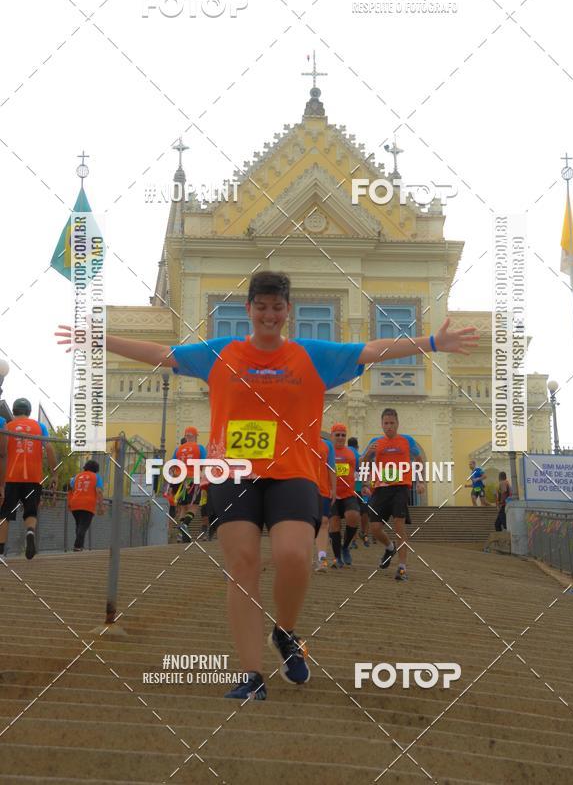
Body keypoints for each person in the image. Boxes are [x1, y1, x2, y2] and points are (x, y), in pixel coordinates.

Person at [56, 270, 478, 699]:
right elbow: (164, 353)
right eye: (261, 306)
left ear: (287, 311)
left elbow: (370, 349)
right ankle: (252, 675)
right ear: (249, 310)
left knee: (293, 556)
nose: (269, 314)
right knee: (243, 566)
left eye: (277, 307)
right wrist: (100, 338)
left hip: (292, 473)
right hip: (233, 473)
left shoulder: (311, 355)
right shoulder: (222, 353)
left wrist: (431, 343)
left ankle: (286, 630)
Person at [361, 408, 424, 582]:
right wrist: (367, 454)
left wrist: (420, 481)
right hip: (380, 489)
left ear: (397, 424)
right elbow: (361, 463)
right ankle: (389, 548)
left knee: (399, 526)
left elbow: (418, 460)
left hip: (400, 488)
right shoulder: (375, 442)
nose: (389, 426)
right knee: (374, 528)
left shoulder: (407, 441)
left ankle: (402, 567)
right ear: (381, 425)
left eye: (392, 423)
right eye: (386, 423)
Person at [0, 398, 57, 560]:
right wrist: (54, 473)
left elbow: (2, 452)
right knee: (31, 510)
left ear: (14, 410)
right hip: (33, 477)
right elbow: (50, 448)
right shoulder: (40, 427)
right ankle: (30, 532)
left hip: (10, 477)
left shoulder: (6, 426)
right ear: (29, 411)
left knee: (4, 513)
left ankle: (0, 551)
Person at [329, 424, 361, 568]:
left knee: (353, 516)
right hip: (332, 495)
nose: (341, 437)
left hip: (348, 493)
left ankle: (345, 546)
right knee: (334, 524)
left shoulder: (351, 454)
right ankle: (337, 558)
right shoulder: (327, 452)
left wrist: (363, 487)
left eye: (343, 435)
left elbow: (357, 473)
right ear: (332, 436)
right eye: (338, 435)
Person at [171, 427, 207, 542]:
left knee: (183, 507)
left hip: (180, 480)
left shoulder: (178, 449)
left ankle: (181, 535)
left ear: (186, 436)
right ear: (195, 436)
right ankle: (185, 525)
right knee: (194, 506)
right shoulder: (199, 448)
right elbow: (206, 463)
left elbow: (172, 465)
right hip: (194, 479)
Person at [68, 459, 104, 551]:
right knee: (83, 526)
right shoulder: (96, 477)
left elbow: (70, 489)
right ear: (96, 469)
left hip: (75, 503)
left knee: (79, 525)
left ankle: (80, 547)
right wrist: (101, 506)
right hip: (88, 504)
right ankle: (77, 546)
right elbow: (99, 491)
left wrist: (69, 503)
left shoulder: (77, 476)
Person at [314, 433, 336, 572]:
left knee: (324, 521)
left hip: (322, 490)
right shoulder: (298, 439)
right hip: (303, 488)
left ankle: (322, 558)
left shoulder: (327, 445)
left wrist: (333, 489)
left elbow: (331, 467)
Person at [348, 435, 370, 547]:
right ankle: (365, 535)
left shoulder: (346, 454)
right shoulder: (360, 456)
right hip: (361, 489)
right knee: (364, 513)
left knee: (353, 514)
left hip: (349, 489)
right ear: (357, 447)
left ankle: (354, 539)